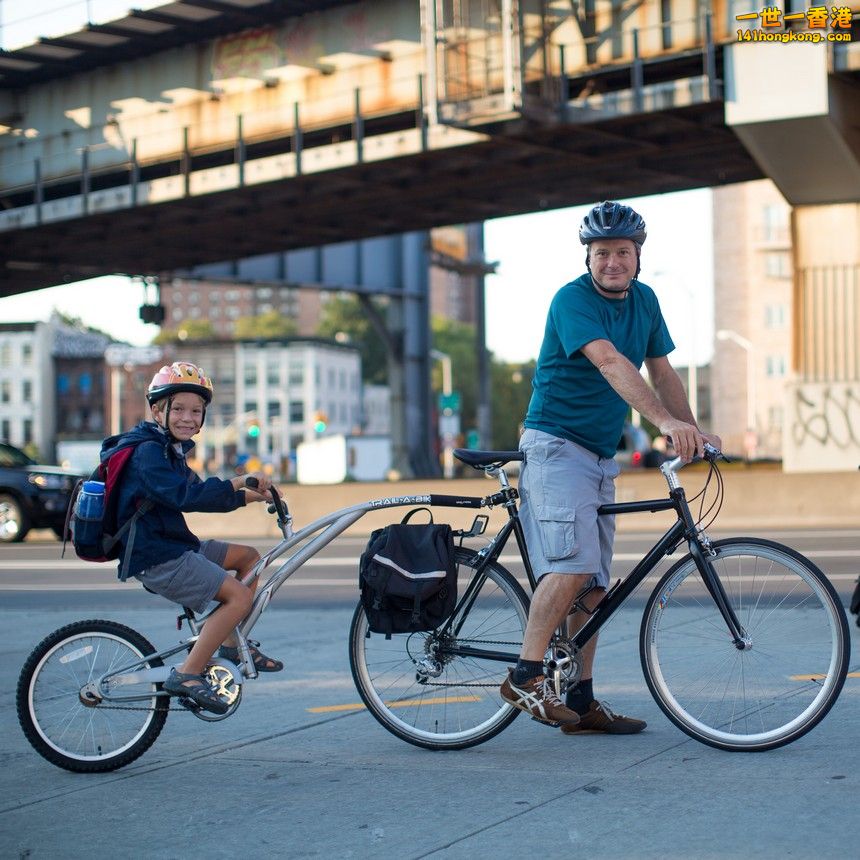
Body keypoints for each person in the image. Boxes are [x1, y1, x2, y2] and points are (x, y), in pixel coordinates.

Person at [499, 201, 721, 734]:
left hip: (597, 454)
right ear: (589, 258)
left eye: (623, 252)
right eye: (602, 254)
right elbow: (611, 363)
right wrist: (664, 422)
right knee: (572, 564)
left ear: (638, 258)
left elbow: (662, 371)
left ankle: (581, 701)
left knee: (594, 588)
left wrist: (691, 428)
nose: (612, 262)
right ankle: (525, 675)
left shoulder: (644, 301)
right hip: (555, 446)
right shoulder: (571, 300)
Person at [103, 361, 282, 714]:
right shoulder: (147, 452)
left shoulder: (167, 448)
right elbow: (186, 496)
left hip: (174, 545)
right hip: (158, 557)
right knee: (240, 599)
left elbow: (199, 492)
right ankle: (188, 673)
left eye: (196, 411)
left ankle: (230, 644)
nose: (188, 417)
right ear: (158, 410)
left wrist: (250, 495)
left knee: (249, 558)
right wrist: (236, 481)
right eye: (179, 409)